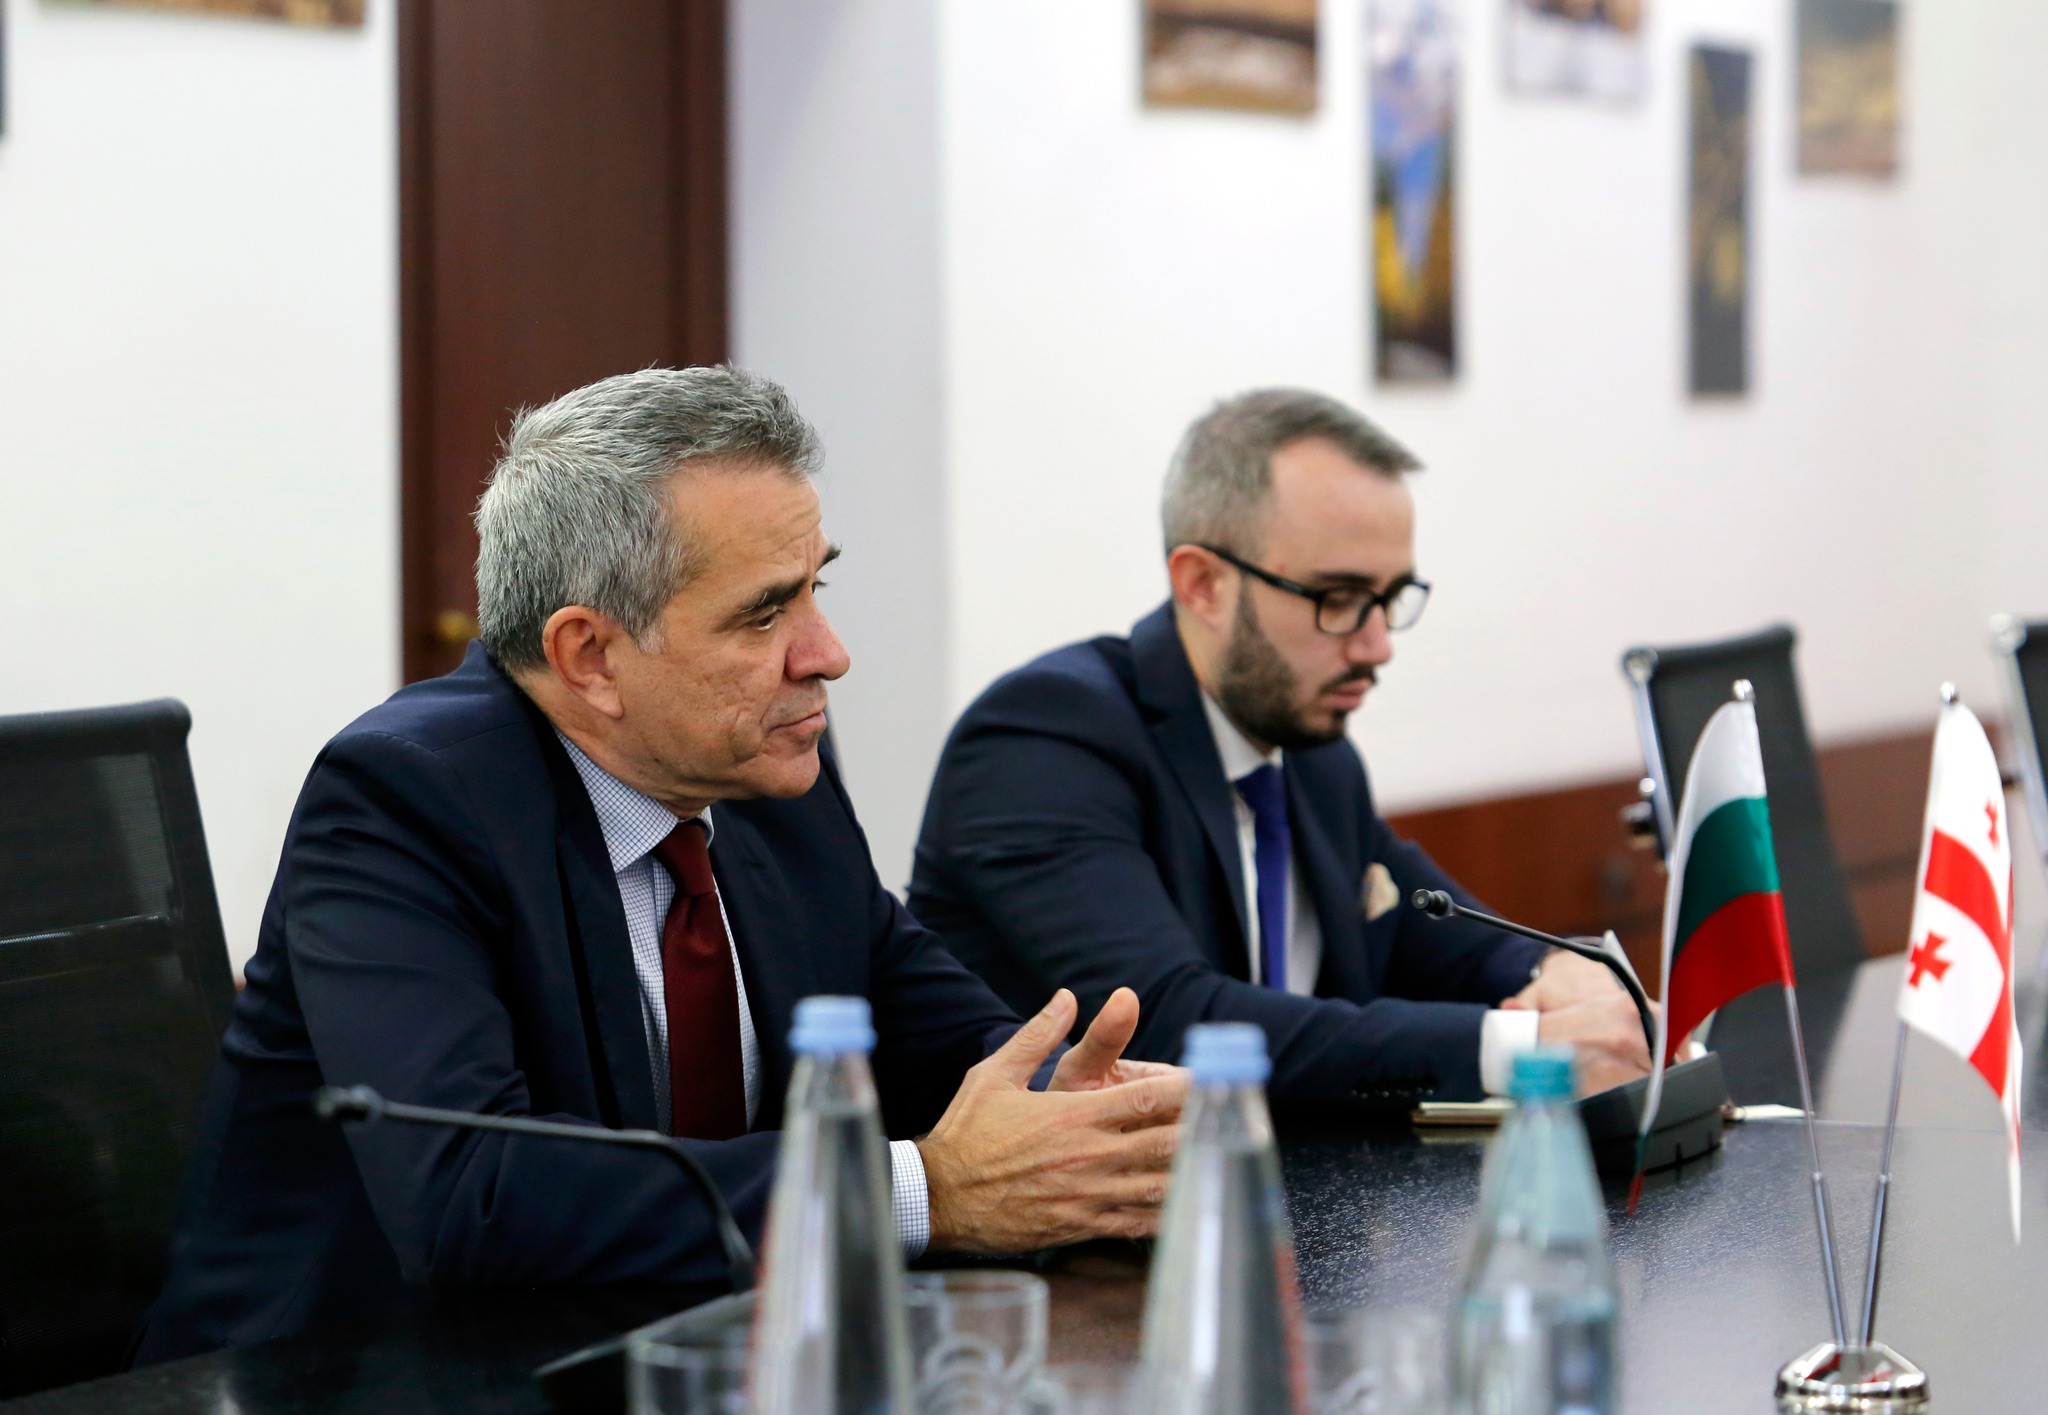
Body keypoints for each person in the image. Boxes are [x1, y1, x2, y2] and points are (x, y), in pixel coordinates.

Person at [137, 367, 1183, 1362]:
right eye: (764, 612)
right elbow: (470, 1193)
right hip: (349, 1374)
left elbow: (934, 1032)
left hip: (677, 1352)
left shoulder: (769, 776)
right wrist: (922, 1190)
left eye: (815, 588)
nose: (826, 653)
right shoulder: (405, 800)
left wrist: (1081, 1114)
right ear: (590, 655)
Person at [908, 388, 1651, 1111]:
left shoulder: (1315, 756)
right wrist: (1519, 1048)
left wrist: (1560, 971)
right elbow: (1172, 1022)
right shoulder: (1044, 739)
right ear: (1203, 584)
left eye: (1391, 598)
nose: (1378, 645)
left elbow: (1439, 930)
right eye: (1339, 598)